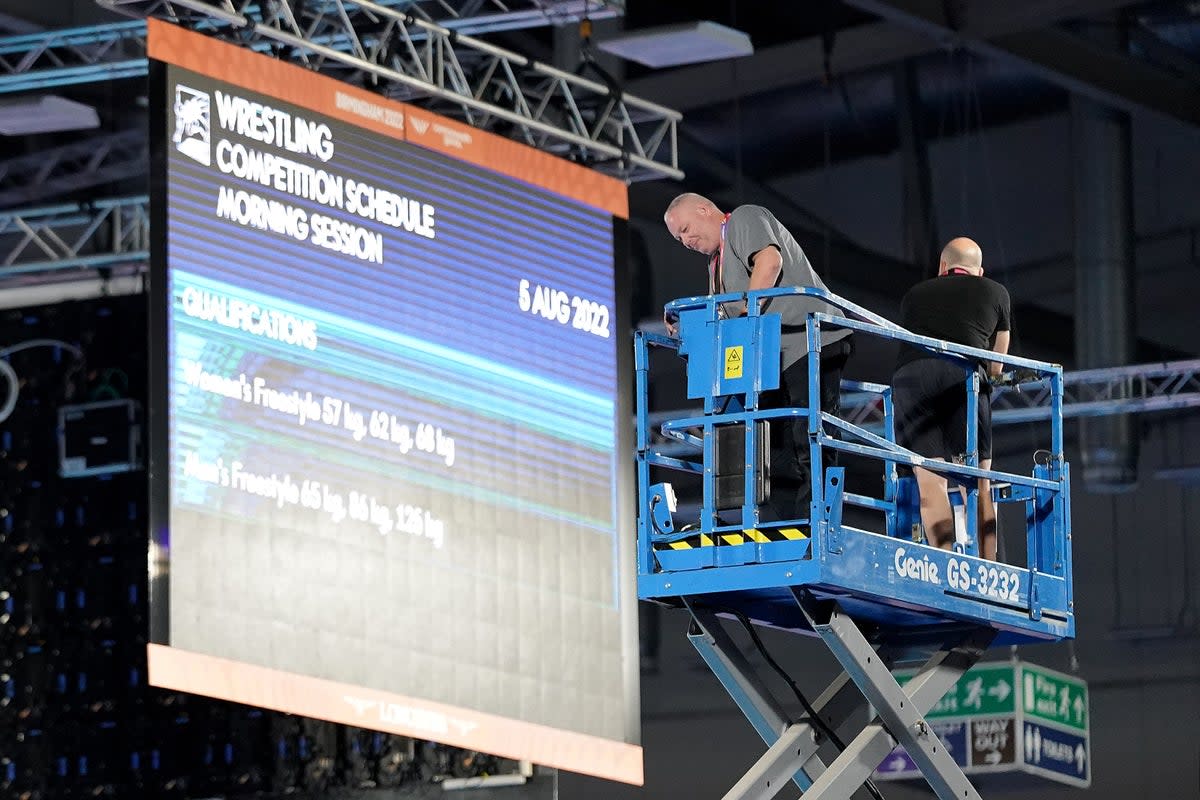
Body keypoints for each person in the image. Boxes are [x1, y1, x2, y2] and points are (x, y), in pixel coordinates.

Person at [663, 193, 853, 522]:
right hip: (768, 359)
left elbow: (769, 262)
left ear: (704, 210)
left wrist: (743, 313)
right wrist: (686, 327)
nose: (685, 241)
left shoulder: (742, 219)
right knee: (773, 449)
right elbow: (725, 318)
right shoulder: (715, 264)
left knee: (807, 436)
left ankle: (817, 522)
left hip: (808, 341)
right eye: (678, 238)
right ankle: (783, 524)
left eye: (685, 229)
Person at [892, 237, 1011, 560]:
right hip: (963, 376)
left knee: (931, 482)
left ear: (943, 267)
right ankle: (988, 567)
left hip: (910, 377)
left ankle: (943, 563)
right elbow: (996, 367)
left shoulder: (914, 294)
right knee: (979, 482)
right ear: (980, 270)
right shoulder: (995, 292)